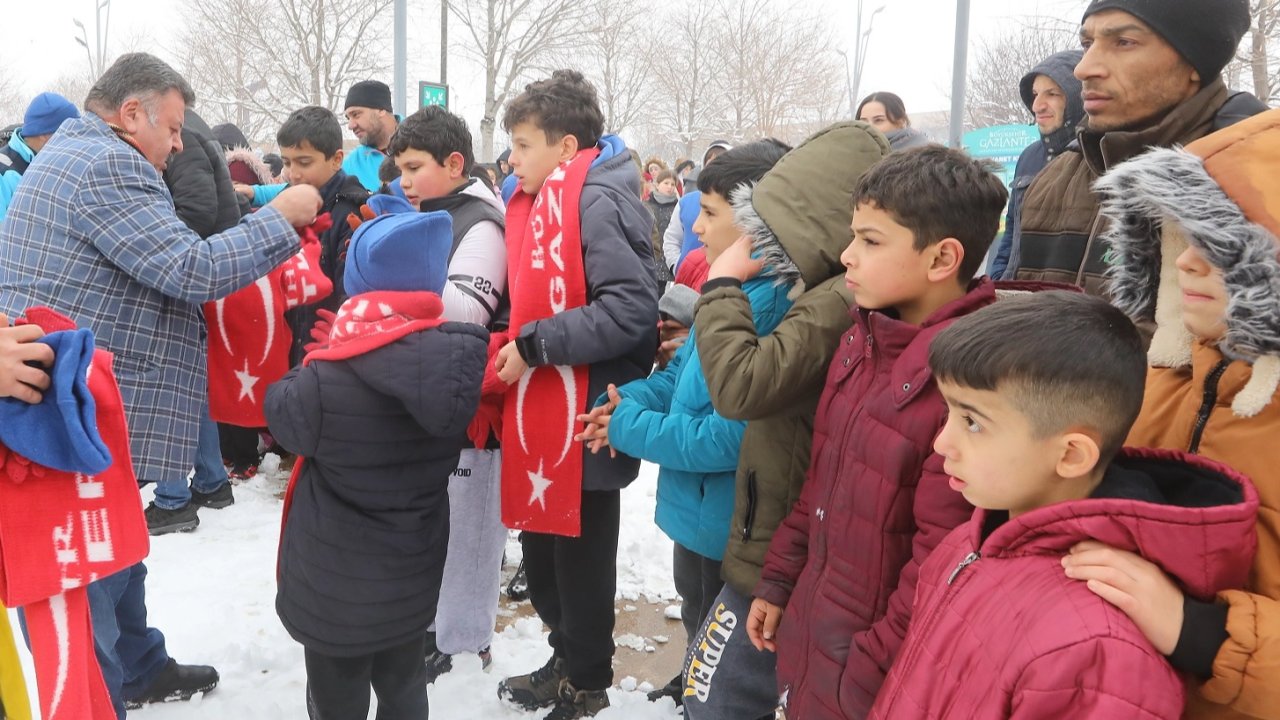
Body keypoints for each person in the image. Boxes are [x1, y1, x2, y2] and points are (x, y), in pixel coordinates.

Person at [0, 52, 321, 717]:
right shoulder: (107, 162)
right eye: (174, 129)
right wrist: (281, 215)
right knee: (87, 570)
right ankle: (101, 694)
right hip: (70, 415)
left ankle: (139, 664)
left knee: (117, 549)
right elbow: (189, 269)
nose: (179, 146)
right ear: (132, 113)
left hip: (75, 402)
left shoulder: (76, 154)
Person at [868, 292, 1258, 718]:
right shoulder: (973, 537)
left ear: (1071, 455)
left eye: (973, 422)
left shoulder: (1100, 647)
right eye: (950, 413)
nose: (942, 442)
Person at [748, 145, 1009, 720]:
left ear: (942, 258)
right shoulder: (861, 341)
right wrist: (779, 582)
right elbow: (820, 488)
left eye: (870, 241)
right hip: (817, 639)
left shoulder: (969, 386)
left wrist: (868, 666)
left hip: (871, 676)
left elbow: (939, 561)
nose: (847, 256)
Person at [1066, 108, 1280, 720]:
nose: (1185, 262)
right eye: (1181, 238)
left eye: (1224, 245)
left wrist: (1200, 632)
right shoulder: (1162, 379)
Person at [679, 120, 888, 720]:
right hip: (768, 540)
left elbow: (741, 387)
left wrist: (721, 285)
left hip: (776, 544)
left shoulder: (832, 298)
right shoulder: (816, 288)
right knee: (709, 686)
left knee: (719, 696)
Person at [580, 140, 793, 708]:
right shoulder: (731, 293)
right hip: (696, 514)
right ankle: (694, 680)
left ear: (757, 218)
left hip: (732, 521)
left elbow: (731, 436)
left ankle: (705, 689)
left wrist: (627, 429)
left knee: (726, 649)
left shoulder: (774, 307)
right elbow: (679, 381)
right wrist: (623, 400)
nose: (696, 228)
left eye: (712, 213)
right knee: (697, 615)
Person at [267, 209, 488, 720]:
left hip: (335, 589)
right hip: (411, 576)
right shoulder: (453, 364)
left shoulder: (328, 378)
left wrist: (317, 359)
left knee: (337, 699)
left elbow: (282, 414)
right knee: (404, 685)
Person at [492, 69, 658, 720]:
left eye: (524, 144)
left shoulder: (595, 199)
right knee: (543, 553)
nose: (512, 158)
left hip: (585, 411)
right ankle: (564, 658)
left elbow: (629, 311)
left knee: (581, 561)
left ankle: (587, 681)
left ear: (566, 148)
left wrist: (533, 345)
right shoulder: (547, 200)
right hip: (545, 409)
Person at [1012, 0, 1259, 297]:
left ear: (1195, 62)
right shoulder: (1053, 178)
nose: (1084, 68)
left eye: (1124, 42)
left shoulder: (1255, 179)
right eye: (1087, 43)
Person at [387, 104, 509, 679]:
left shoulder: (479, 222)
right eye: (400, 168)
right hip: (437, 392)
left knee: (471, 526)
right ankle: (438, 624)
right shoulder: (438, 212)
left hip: (475, 404)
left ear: (454, 162)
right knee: (441, 520)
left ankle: (462, 637)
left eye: (414, 167)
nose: (404, 180)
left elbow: (463, 312)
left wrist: (389, 291)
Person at [147, 108, 242, 534]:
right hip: (197, 271)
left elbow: (198, 210)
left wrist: (158, 255)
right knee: (190, 378)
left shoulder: (181, 144)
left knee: (169, 379)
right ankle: (210, 480)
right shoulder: (194, 135)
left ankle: (173, 499)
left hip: (184, 274)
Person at [275, 106, 370, 364]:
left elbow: (353, 293)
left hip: (330, 353)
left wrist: (339, 334)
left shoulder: (353, 211)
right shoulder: (284, 205)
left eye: (304, 163)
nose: (293, 173)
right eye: (286, 162)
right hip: (290, 348)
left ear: (336, 159)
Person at [985, 50, 1085, 280]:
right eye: (1035, 94)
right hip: (1015, 295)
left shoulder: (1098, 156)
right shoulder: (1029, 156)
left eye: (1052, 94)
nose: (1038, 105)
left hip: (1063, 300)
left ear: (1079, 98)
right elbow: (1012, 230)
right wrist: (999, 279)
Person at [0, 92, 80, 221]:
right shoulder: (3, 172)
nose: (76, 141)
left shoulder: (61, 162)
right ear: (45, 134)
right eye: (70, 133)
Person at [664, 140, 732, 274]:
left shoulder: (738, 204)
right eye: (710, 166)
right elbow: (672, 239)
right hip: (688, 279)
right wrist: (678, 266)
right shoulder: (686, 202)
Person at [856, 92, 932, 151]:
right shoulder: (854, 153)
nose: (869, 127)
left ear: (900, 122)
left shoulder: (922, 155)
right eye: (863, 122)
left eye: (878, 120)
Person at [645, 169, 680, 283]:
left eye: (672, 184)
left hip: (669, 260)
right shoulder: (647, 205)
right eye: (666, 183)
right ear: (657, 184)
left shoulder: (678, 207)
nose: (669, 187)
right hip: (649, 258)